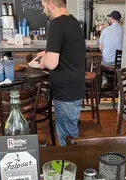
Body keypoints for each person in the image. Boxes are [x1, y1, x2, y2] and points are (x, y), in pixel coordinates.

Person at [36, 0, 86, 146]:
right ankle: (71, 164)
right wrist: (47, 52)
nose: (44, 9)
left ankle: (70, 166)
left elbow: (52, 63)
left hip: (66, 90)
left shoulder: (56, 24)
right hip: (75, 86)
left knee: (66, 137)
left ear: (51, 4)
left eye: (44, 6)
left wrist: (43, 60)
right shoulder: (73, 22)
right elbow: (68, 50)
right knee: (70, 132)